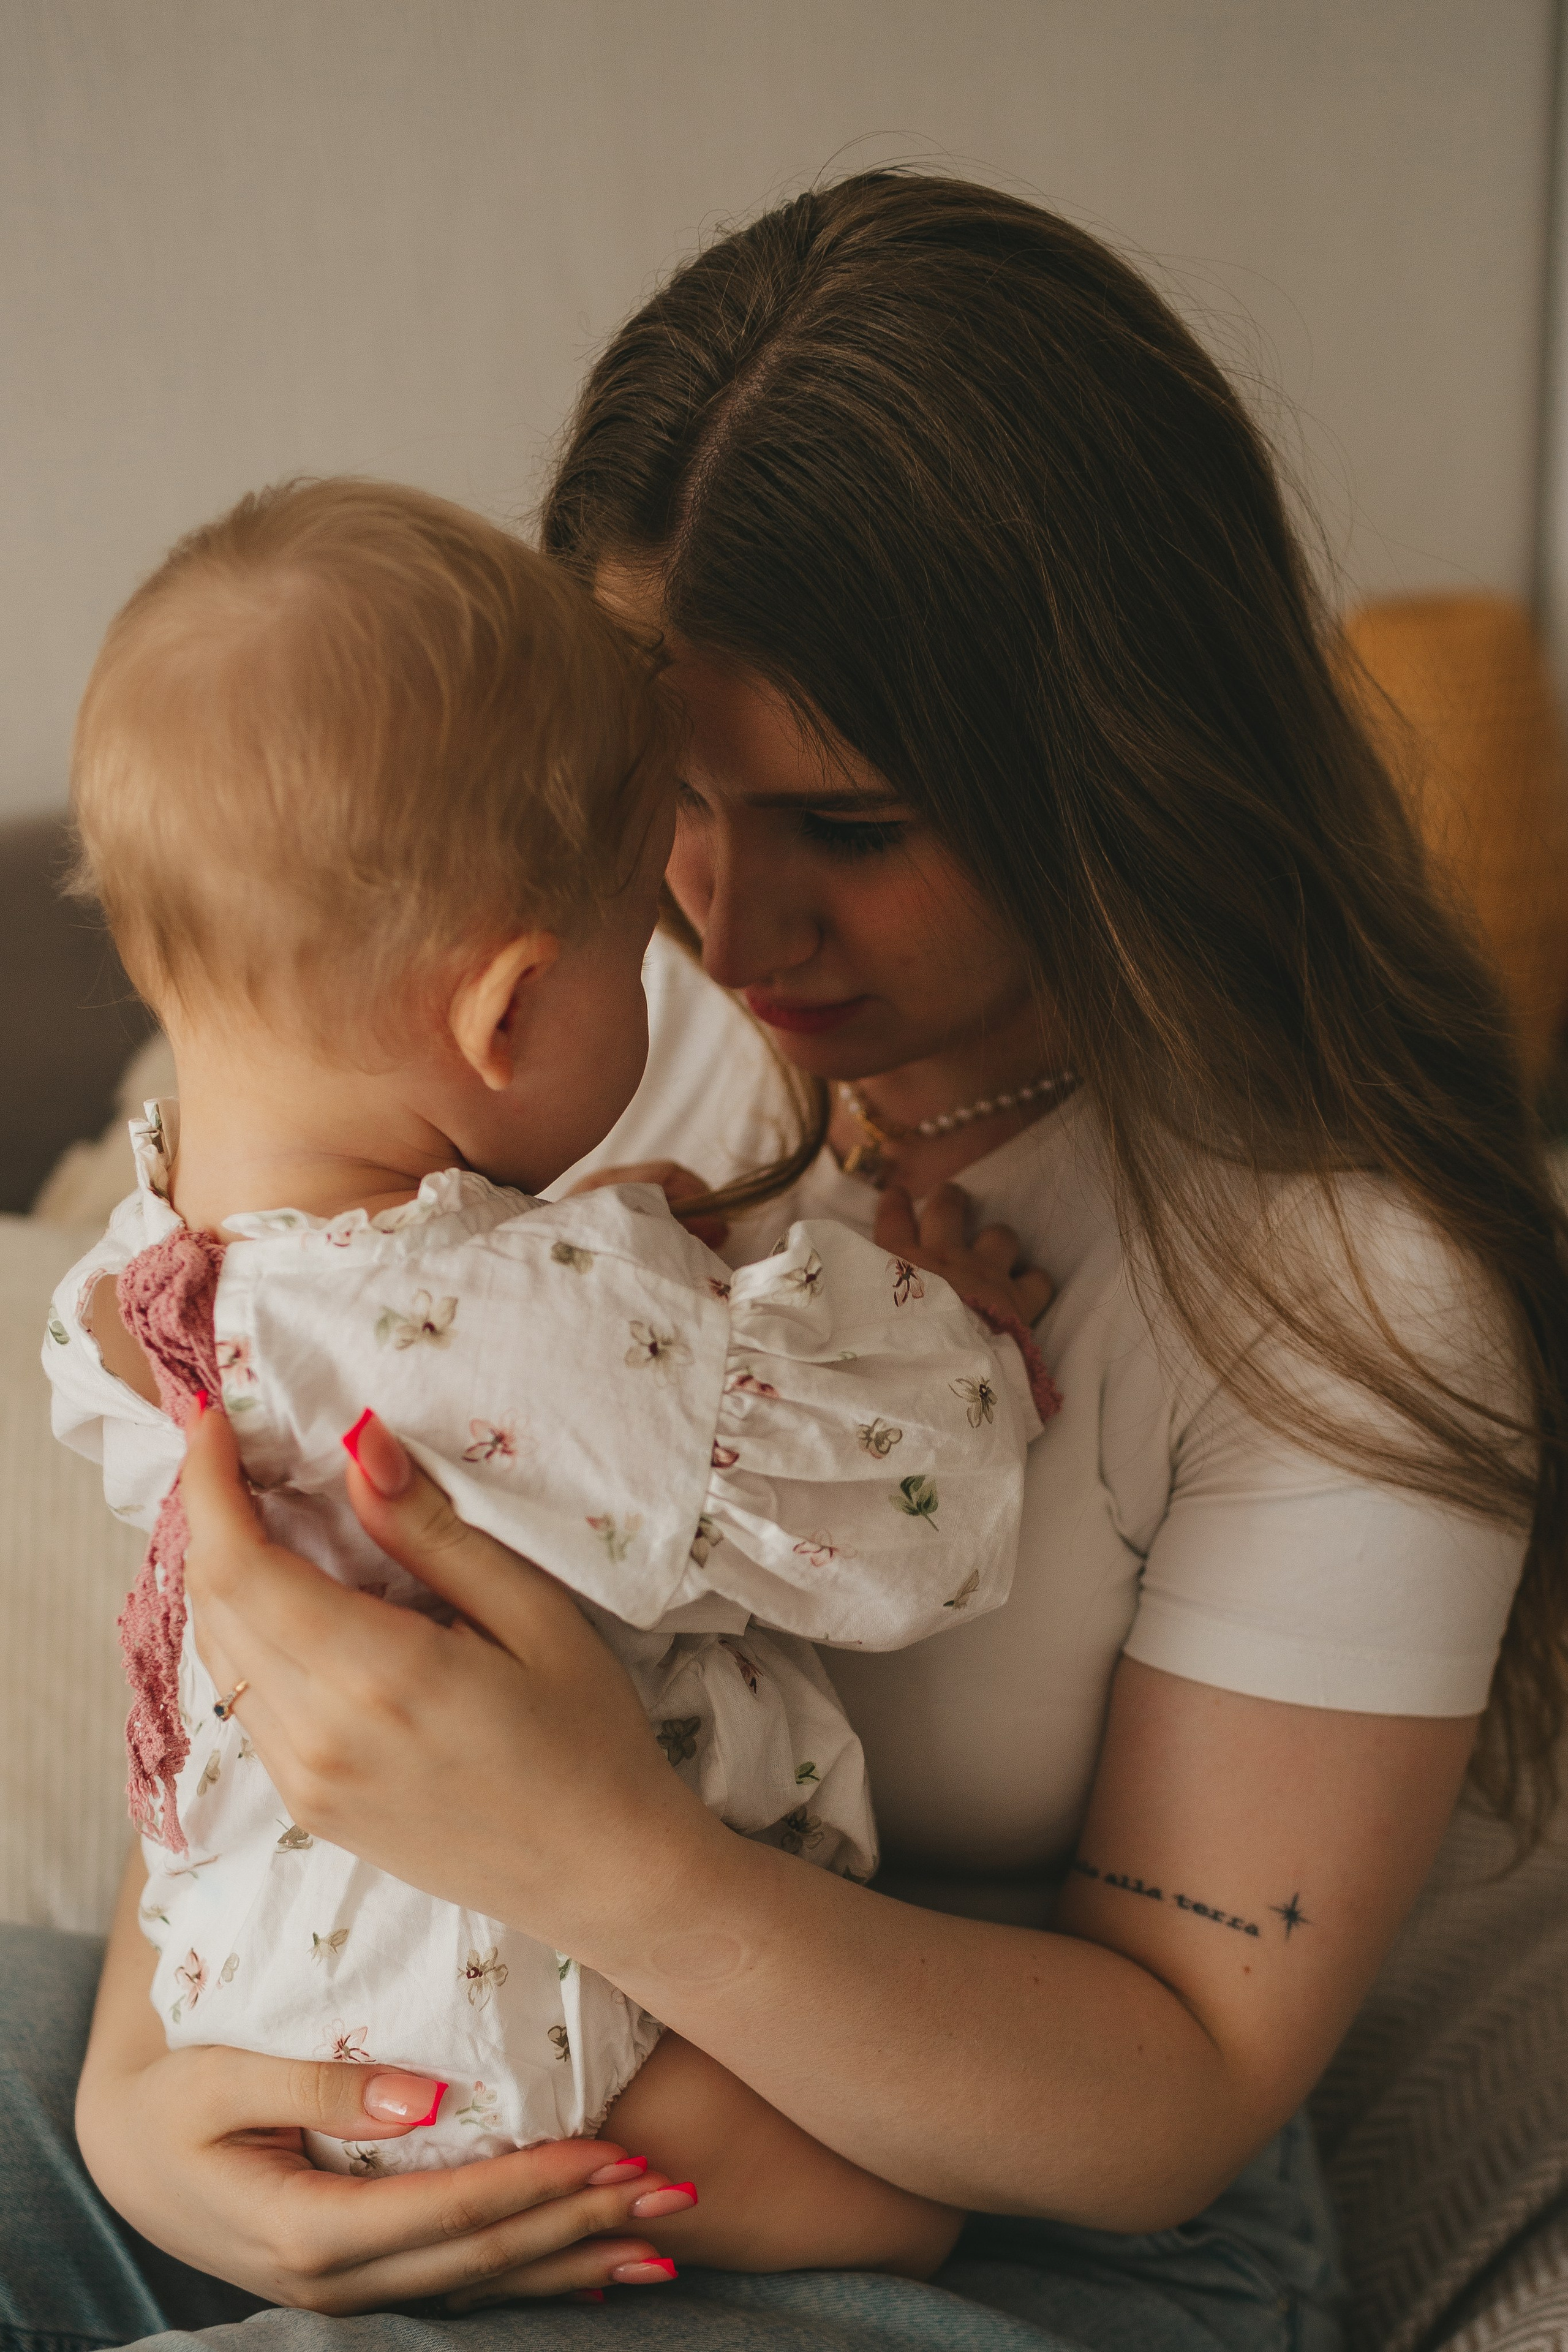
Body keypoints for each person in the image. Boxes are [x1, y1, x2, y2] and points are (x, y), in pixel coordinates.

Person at [4, 169, 1566, 2351]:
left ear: (1120, 767)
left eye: (851, 828)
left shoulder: (1344, 1295)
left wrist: (601, 1856)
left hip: (1017, 2217)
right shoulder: (566, 1054)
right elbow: (273, 1610)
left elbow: (1179, 2096)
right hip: (454, 2027)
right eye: (666, 810)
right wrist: (147, 2111)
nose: (729, 934)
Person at [40, 474, 1051, 2269]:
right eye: (639, 942)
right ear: (507, 1014)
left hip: (259, 2010)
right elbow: (918, 1517)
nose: (715, 953)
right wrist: (924, 1316)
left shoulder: (139, 1289)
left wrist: (610, 1257)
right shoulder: (548, 1327)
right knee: (915, 2211)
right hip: (529, 2019)